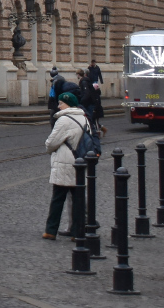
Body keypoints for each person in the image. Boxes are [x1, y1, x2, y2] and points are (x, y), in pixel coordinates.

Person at [44, 91, 90, 240]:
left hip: (64, 163)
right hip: (80, 162)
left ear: (67, 104)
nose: (58, 106)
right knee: (78, 199)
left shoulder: (63, 121)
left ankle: (51, 230)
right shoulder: (84, 119)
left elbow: (51, 143)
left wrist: (49, 148)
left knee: (58, 198)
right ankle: (77, 232)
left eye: (60, 103)